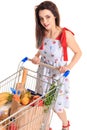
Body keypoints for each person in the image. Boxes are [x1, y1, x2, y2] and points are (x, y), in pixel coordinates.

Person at [31, 1, 82, 130]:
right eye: (41, 18)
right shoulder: (43, 32)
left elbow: (78, 53)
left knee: (56, 106)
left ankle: (65, 124)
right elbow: (42, 50)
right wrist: (37, 57)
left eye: (47, 17)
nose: (44, 21)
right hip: (43, 73)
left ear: (54, 15)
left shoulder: (65, 34)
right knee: (43, 103)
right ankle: (46, 127)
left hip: (57, 75)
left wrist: (68, 68)